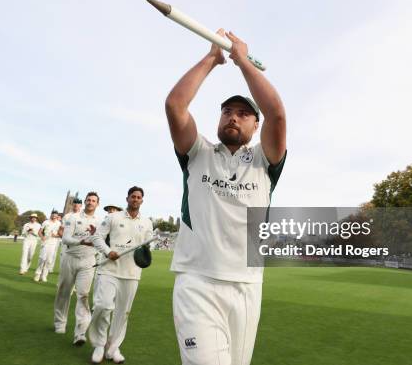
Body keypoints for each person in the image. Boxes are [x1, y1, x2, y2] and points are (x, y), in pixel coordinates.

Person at [164, 29, 287, 365]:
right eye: (227, 111)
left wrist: (243, 62)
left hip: (247, 286)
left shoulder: (264, 159)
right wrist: (213, 58)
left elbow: (276, 112)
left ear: (255, 125)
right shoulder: (198, 151)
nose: (233, 116)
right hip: (197, 282)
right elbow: (176, 105)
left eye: (243, 113)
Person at [88, 186, 153, 364]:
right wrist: (108, 252)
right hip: (109, 269)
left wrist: (146, 251)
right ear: (127, 198)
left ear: (142, 201)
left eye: (139, 197)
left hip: (132, 273)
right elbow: (97, 238)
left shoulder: (147, 222)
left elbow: (148, 246)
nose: (135, 199)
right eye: (133, 196)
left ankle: (113, 347)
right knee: (102, 306)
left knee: (123, 313)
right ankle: (99, 345)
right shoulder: (113, 217)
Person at [54, 192, 104, 346]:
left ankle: (80, 332)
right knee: (64, 291)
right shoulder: (73, 218)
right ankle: (60, 322)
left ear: (97, 204)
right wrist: (83, 241)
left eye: (93, 200)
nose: (90, 202)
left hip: (88, 261)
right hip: (70, 258)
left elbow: (102, 240)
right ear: (85, 202)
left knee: (83, 295)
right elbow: (66, 238)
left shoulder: (101, 221)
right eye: (88, 200)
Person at [34, 210, 62, 283]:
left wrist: (55, 235)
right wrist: (42, 237)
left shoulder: (59, 223)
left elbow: (61, 234)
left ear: (57, 216)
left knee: (49, 261)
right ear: (51, 215)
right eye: (53, 214)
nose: (54, 216)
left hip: (53, 243)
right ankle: (38, 274)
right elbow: (40, 232)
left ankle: (44, 276)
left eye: (55, 215)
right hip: (45, 242)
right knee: (42, 259)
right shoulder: (46, 222)